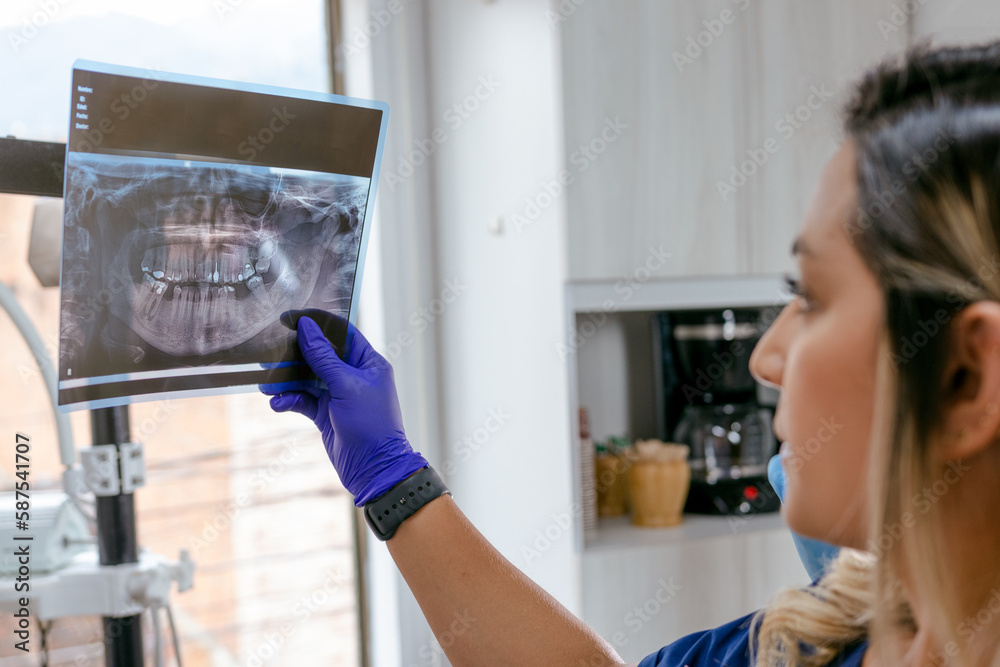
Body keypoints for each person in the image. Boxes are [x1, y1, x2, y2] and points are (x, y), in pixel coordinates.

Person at [260, 40, 1000, 666]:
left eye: (810, 297)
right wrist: (395, 479)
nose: (765, 359)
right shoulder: (824, 636)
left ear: (969, 378)